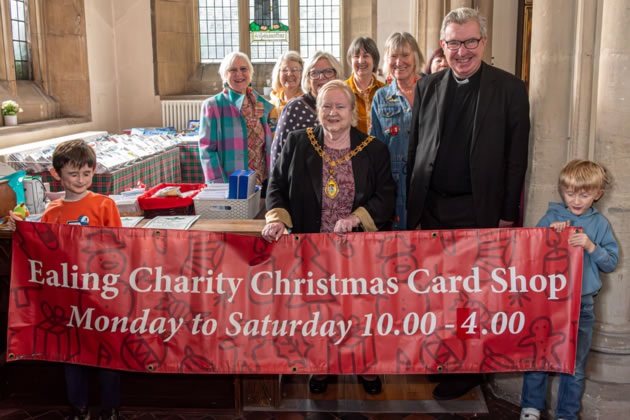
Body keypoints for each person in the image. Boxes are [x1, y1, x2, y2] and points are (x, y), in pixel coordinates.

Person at [406, 8, 530, 399]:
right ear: (443, 45)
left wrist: (508, 215)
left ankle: (470, 369)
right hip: (433, 209)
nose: (461, 51)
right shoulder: (427, 87)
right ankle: (442, 355)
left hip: (480, 212)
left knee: (472, 297)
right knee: (438, 293)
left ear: (483, 43)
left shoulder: (510, 89)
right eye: (453, 42)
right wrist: (414, 213)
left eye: (469, 41)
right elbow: (414, 151)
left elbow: (516, 160)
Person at [263, 80, 396, 395]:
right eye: (326, 106)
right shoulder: (298, 143)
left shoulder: (374, 149)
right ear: (317, 111)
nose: (333, 113)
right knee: (318, 312)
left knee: (360, 311)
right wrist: (278, 218)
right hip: (313, 249)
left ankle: (364, 366)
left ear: (352, 112)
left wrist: (356, 218)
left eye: (340, 106)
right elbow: (276, 185)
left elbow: (386, 196)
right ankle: (320, 366)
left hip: (358, 252)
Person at [9, 139, 122, 420]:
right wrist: (21, 230)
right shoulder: (53, 212)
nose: (80, 180)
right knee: (71, 354)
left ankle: (110, 409)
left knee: (108, 352)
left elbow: (121, 247)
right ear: (57, 174)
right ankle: (79, 408)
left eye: (87, 173)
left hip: (101, 294)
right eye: (73, 174)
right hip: (68, 298)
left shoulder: (105, 205)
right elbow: (43, 251)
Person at [520, 160, 618, 420]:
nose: (576, 200)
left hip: (582, 305)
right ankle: (530, 409)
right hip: (549, 302)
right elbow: (529, 255)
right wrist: (549, 237)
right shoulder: (551, 217)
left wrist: (591, 246)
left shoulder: (600, 225)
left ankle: (567, 414)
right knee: (539, 358)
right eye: (570, 193)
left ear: (597, 194)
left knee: (574, 365)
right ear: (562, 191)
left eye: (584, 194)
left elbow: (610, 262)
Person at [370, 32, 424, 230]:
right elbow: (375, 147)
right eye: (393, 56)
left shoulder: (431, 89)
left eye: (405, 55)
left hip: (428, 182)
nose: (399, 61)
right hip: (394, 184)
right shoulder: (381, 97)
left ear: (415, 57)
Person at [198, 52, 274, 194]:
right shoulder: (213, 105)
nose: (239, 74)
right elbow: (207, 150)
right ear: (224, 75)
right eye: (232, 70)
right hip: (232, 184)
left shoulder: (259, 103)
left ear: (250, 73)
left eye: (243, 69)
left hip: (262, 181)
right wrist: (219, 187)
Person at [270, 51, 342, 170]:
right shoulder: (294, 108)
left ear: (337, 75)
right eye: (315, 73)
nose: (322, 77)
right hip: (302, 183)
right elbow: (279, 154)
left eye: (328, 72)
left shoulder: (346, 105)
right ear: (307, 78)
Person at [344, 36, 385, 134]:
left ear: (374, 60)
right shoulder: (342, 91)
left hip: (379, 147)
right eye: (356, 56)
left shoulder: (385, 91)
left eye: (366, 56)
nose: (361, 61)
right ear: (350, 60)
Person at [268, 51, 304, 135]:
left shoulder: (307, 104)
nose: (289, 74)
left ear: (302, 74)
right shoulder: (270, 106)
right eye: (285, 70)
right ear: (278, 74)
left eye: (295, 70)